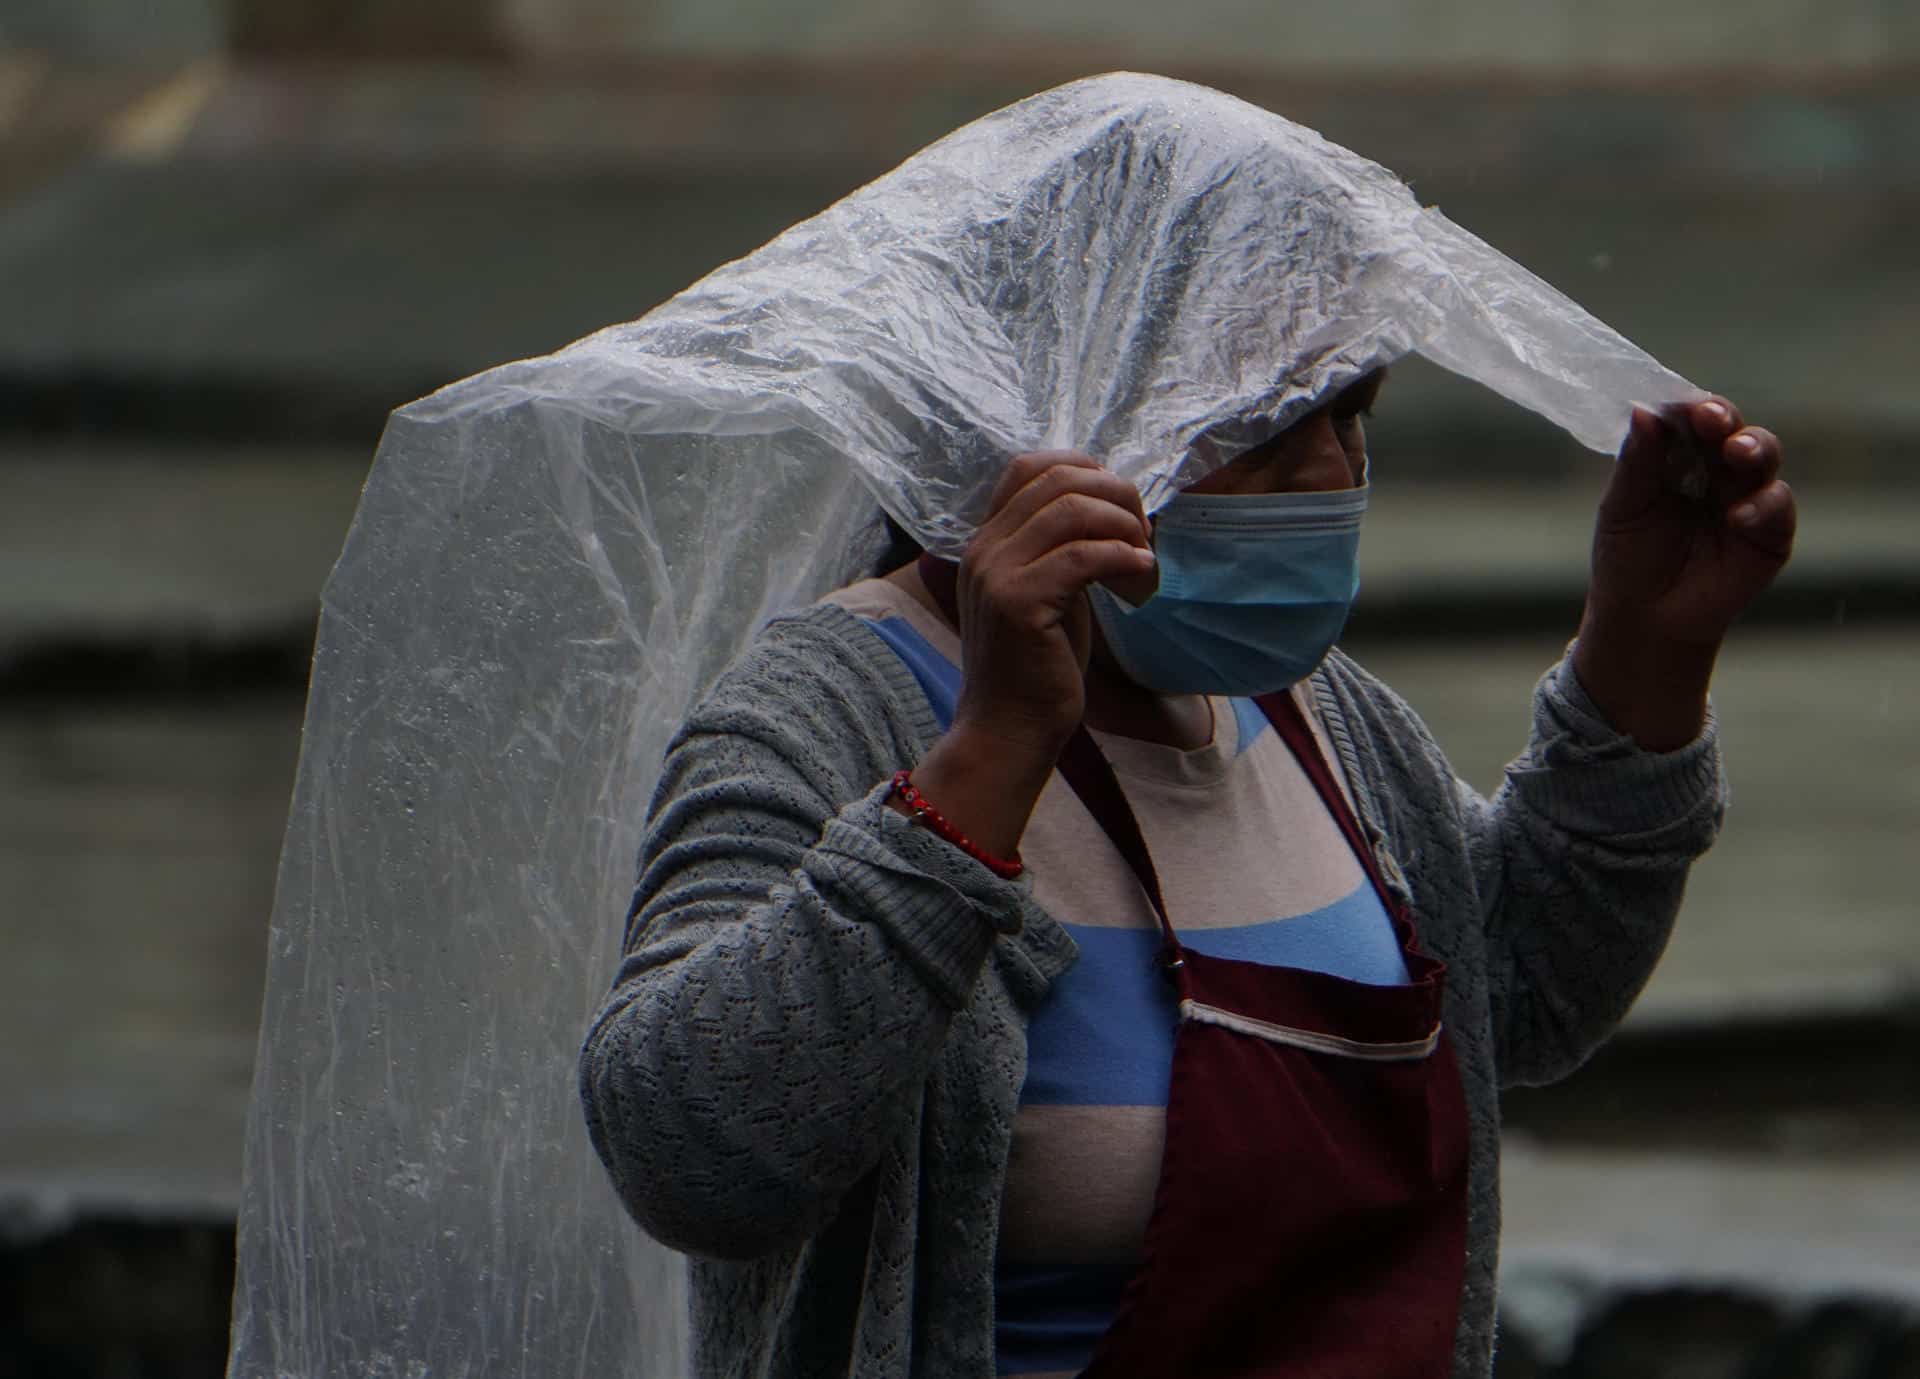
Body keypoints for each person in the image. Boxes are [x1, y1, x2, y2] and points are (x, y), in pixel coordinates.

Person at [578, 325, 1795, 1376]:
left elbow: (1514, 992)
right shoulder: (833, 709)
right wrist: (989, 758)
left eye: (1352, 417)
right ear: (1066, 416)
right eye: (1264, 422)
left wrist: (1645, 654)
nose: (1329, 474)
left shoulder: (1322, 717)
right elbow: (689, 1152)